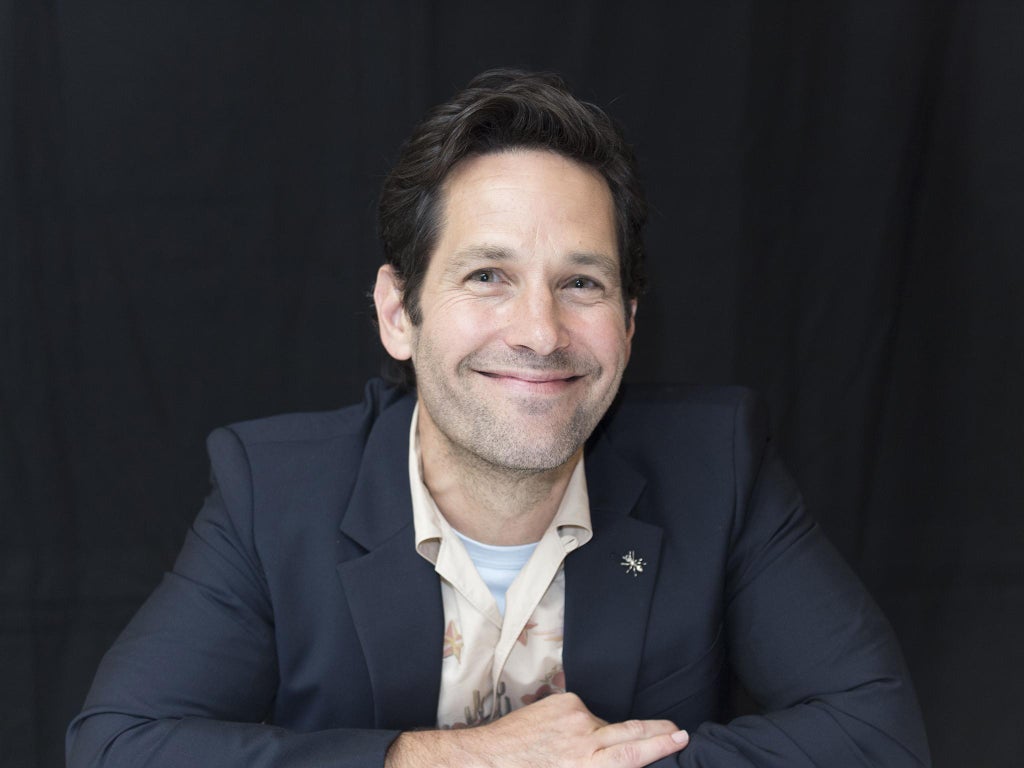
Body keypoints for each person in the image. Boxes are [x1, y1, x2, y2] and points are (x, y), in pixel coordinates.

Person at [67, 69, 930, 767]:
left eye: (581, 283)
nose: (540, 333)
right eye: (488, 277)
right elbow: (117, 747)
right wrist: (446, 761)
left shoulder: (718, 467)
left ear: (630, 324)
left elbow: (878, 737)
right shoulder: (275, 493)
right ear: (398, 313)